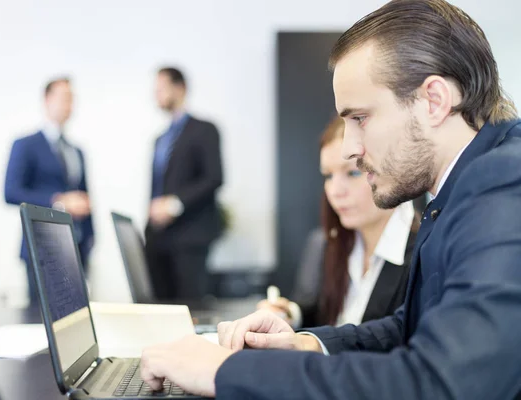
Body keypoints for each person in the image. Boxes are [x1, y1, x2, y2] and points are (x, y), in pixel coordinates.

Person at [139, 0, 521, 398]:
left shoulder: (505, 186)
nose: (349, 149)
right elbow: (407, 327)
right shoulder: (462, 188)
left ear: (434, 101)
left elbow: (442, 384)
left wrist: (229, 371)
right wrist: (304, 343)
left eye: (359, 118)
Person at [258, 117, 418, 329]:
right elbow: (319, 313)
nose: (335, 191)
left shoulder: (425, 250)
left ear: (394, 168)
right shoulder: (326, 243)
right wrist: (289, 314)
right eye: (328, 176)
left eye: (352, 173)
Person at [4, 77, 94, 305]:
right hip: (42, 247)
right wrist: (58, 201)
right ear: (46, 100)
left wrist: (91, 241)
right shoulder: (25, 145)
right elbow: (11, 192)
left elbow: (85, 197)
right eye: (64, 98)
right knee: (40, 320)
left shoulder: (77, 151)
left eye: (72, 99)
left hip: (75, 249)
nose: (69, 105)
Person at [144, 67, 224, 301]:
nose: (156, 95)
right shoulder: (160, 139)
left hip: (190, 237)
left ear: (180, 88)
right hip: (158, 239)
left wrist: (174, 205)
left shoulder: (204, 130)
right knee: (158, 305)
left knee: (190, 307)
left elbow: (214, 177)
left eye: (161, 89)